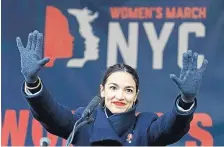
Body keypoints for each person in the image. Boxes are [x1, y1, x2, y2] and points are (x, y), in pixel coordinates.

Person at [16, 30, 208, 146]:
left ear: (136, 96)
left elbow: (171, 127)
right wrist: (32, 82)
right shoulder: (83, 123)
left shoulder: (146, 126)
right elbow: (50, 114)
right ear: (103, 91)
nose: (120, 95)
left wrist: (186, 100)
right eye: (114, 87)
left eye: (128, 90)